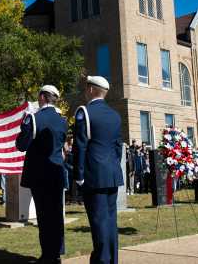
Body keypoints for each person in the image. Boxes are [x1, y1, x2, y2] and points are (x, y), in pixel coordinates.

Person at [73, 76, 124, 264]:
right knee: (110, 222)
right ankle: (111, 260)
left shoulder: (84, 113)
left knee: (99, 223)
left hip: (94, 175)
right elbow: (118, 147)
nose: (85, 91)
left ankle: (102, 261)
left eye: (87, 88)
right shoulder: (115, 115)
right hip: (111, 174)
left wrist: (78, 175)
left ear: (92, 90)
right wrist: (111, 167)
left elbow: (80, 146)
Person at [16, 84, 68, 263]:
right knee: (56, 215)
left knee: (44, 217)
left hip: (40, 174)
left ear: (43, 97)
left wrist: (25, 121)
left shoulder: (34, 118)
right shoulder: (63, 120)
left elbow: (21, 145)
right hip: (57, 173)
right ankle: (57, 252)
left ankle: (48, 255)